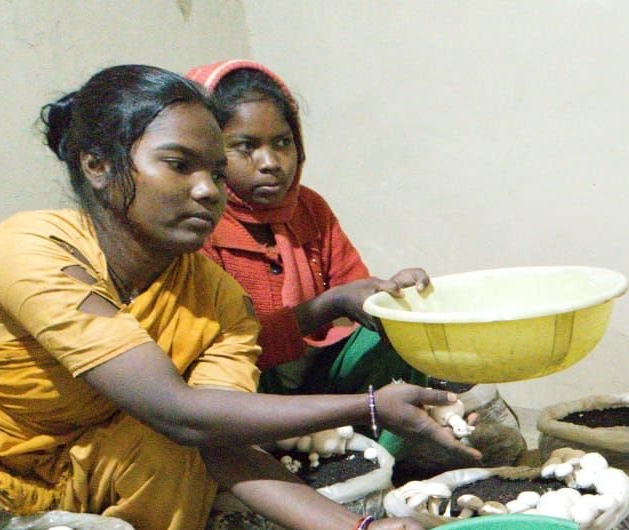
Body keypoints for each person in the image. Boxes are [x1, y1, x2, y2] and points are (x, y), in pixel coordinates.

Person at [0, 64, 477, 530]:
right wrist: (367, 406)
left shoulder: (215, 298)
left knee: (174, 458)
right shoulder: (35, 248)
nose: (208, 191)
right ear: (97, 165)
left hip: (86, 478)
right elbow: (177, 409)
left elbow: (216, 439)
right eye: (179, 165)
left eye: (217, 173)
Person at [186, 60, 451, 457]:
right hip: (253, 388)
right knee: (223, 378)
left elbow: (352, 288)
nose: (270, 162)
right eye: (245, 146)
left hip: (319, 372)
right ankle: (274, 465)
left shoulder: (309, 208)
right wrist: (327, 306)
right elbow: (225, 346)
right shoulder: (200, 225)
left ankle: (381, 461)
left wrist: (390, 295)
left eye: (282, 142)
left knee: (398, 335)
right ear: (206, 150)